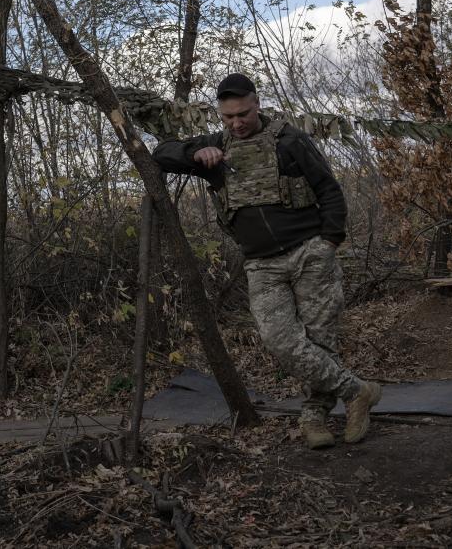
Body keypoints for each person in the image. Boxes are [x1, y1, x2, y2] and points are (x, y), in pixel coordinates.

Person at [153, 72, 381, 448]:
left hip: (310, 252)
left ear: (257, 103)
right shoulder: (216, 148)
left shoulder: (290, 139)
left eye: (242, 114)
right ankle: (357, 391)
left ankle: (313, 420)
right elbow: (160, 153)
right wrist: (195, 153)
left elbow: (328, 189)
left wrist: (329, 241)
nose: (236, 123)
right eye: (228, 117)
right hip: (261, 264)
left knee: (319, 341)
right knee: (281, 340)